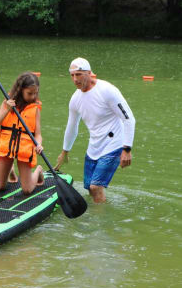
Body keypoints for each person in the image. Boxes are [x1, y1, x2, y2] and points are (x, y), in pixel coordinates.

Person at [55, 57, 136, 203]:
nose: (75, 79)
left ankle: (98, 223)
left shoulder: (107, 90)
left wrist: (127, 149)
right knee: (89, 188)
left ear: (89, 73)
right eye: (72, 75)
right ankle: (99, 210)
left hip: (115, 144)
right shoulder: (75, 99)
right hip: (94, 146)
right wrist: (65, 152)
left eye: (78, 74)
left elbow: (129, 118)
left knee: (95, 187)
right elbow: (72, 126)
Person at [0, 71, 44, 195]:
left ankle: (38, 171)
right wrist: (6, 110)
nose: (33, 96)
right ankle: (10, 170)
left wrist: (38, 144)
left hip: (24, 149)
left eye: (35, 93)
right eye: (29, 93)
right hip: (7, 148)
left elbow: (38, 134)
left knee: (27, 190)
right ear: (20, 90)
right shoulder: (7, 102)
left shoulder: (35, 108)